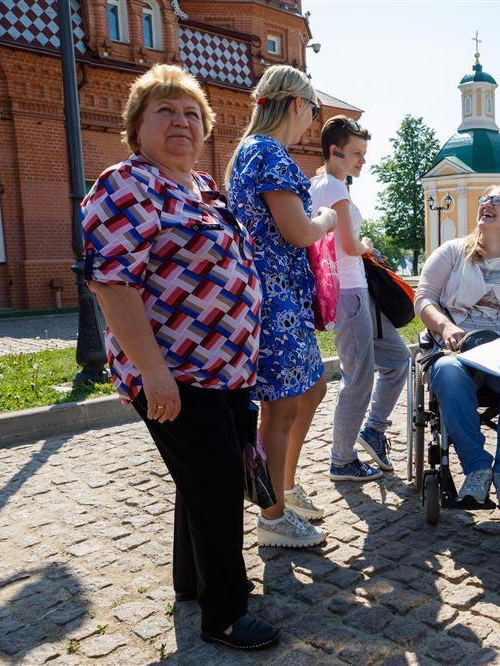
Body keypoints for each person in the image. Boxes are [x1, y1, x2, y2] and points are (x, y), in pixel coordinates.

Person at [82, 64, 280, 650]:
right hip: (179, 372)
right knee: (217, 483)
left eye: (192, 112)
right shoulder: (129, 184)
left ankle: (193, 580)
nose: (181, 121)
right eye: (165, 110)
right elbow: (113, 282)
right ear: (136, 126)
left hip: (227, 372)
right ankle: (224, 614)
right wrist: (153, 373)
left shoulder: (203, 190)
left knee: (205, 477)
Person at [226, 65, 335, 548]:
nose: (312, 119)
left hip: (278, 294)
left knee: (309, 390)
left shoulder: (252, 152)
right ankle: (272, 515)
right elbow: (297, 231)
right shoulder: (268, 153)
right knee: (282, 405)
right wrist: (326, 219)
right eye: (312, 109)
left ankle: (283, 489)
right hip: (273, 298)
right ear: (296, 104)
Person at [415, 185, 500, 505]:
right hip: (455, 352)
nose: (486, 204)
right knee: (447, 372)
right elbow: (423, 299)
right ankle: (477, 469)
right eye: (483, 199)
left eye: (496, 200)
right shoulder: (452, 252)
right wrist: (446, 326)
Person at [310, 116, 411, 481]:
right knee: (358, 377)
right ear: (334, 151)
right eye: (356, 153)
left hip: (356, 293)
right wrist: (367, 245)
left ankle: (372, 431)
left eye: (364, 154)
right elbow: (351, 246)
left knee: (398, 359)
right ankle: (341, 459)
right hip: (349, 293)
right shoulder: (335, 189)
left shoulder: (318, 185)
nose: (362, 161)